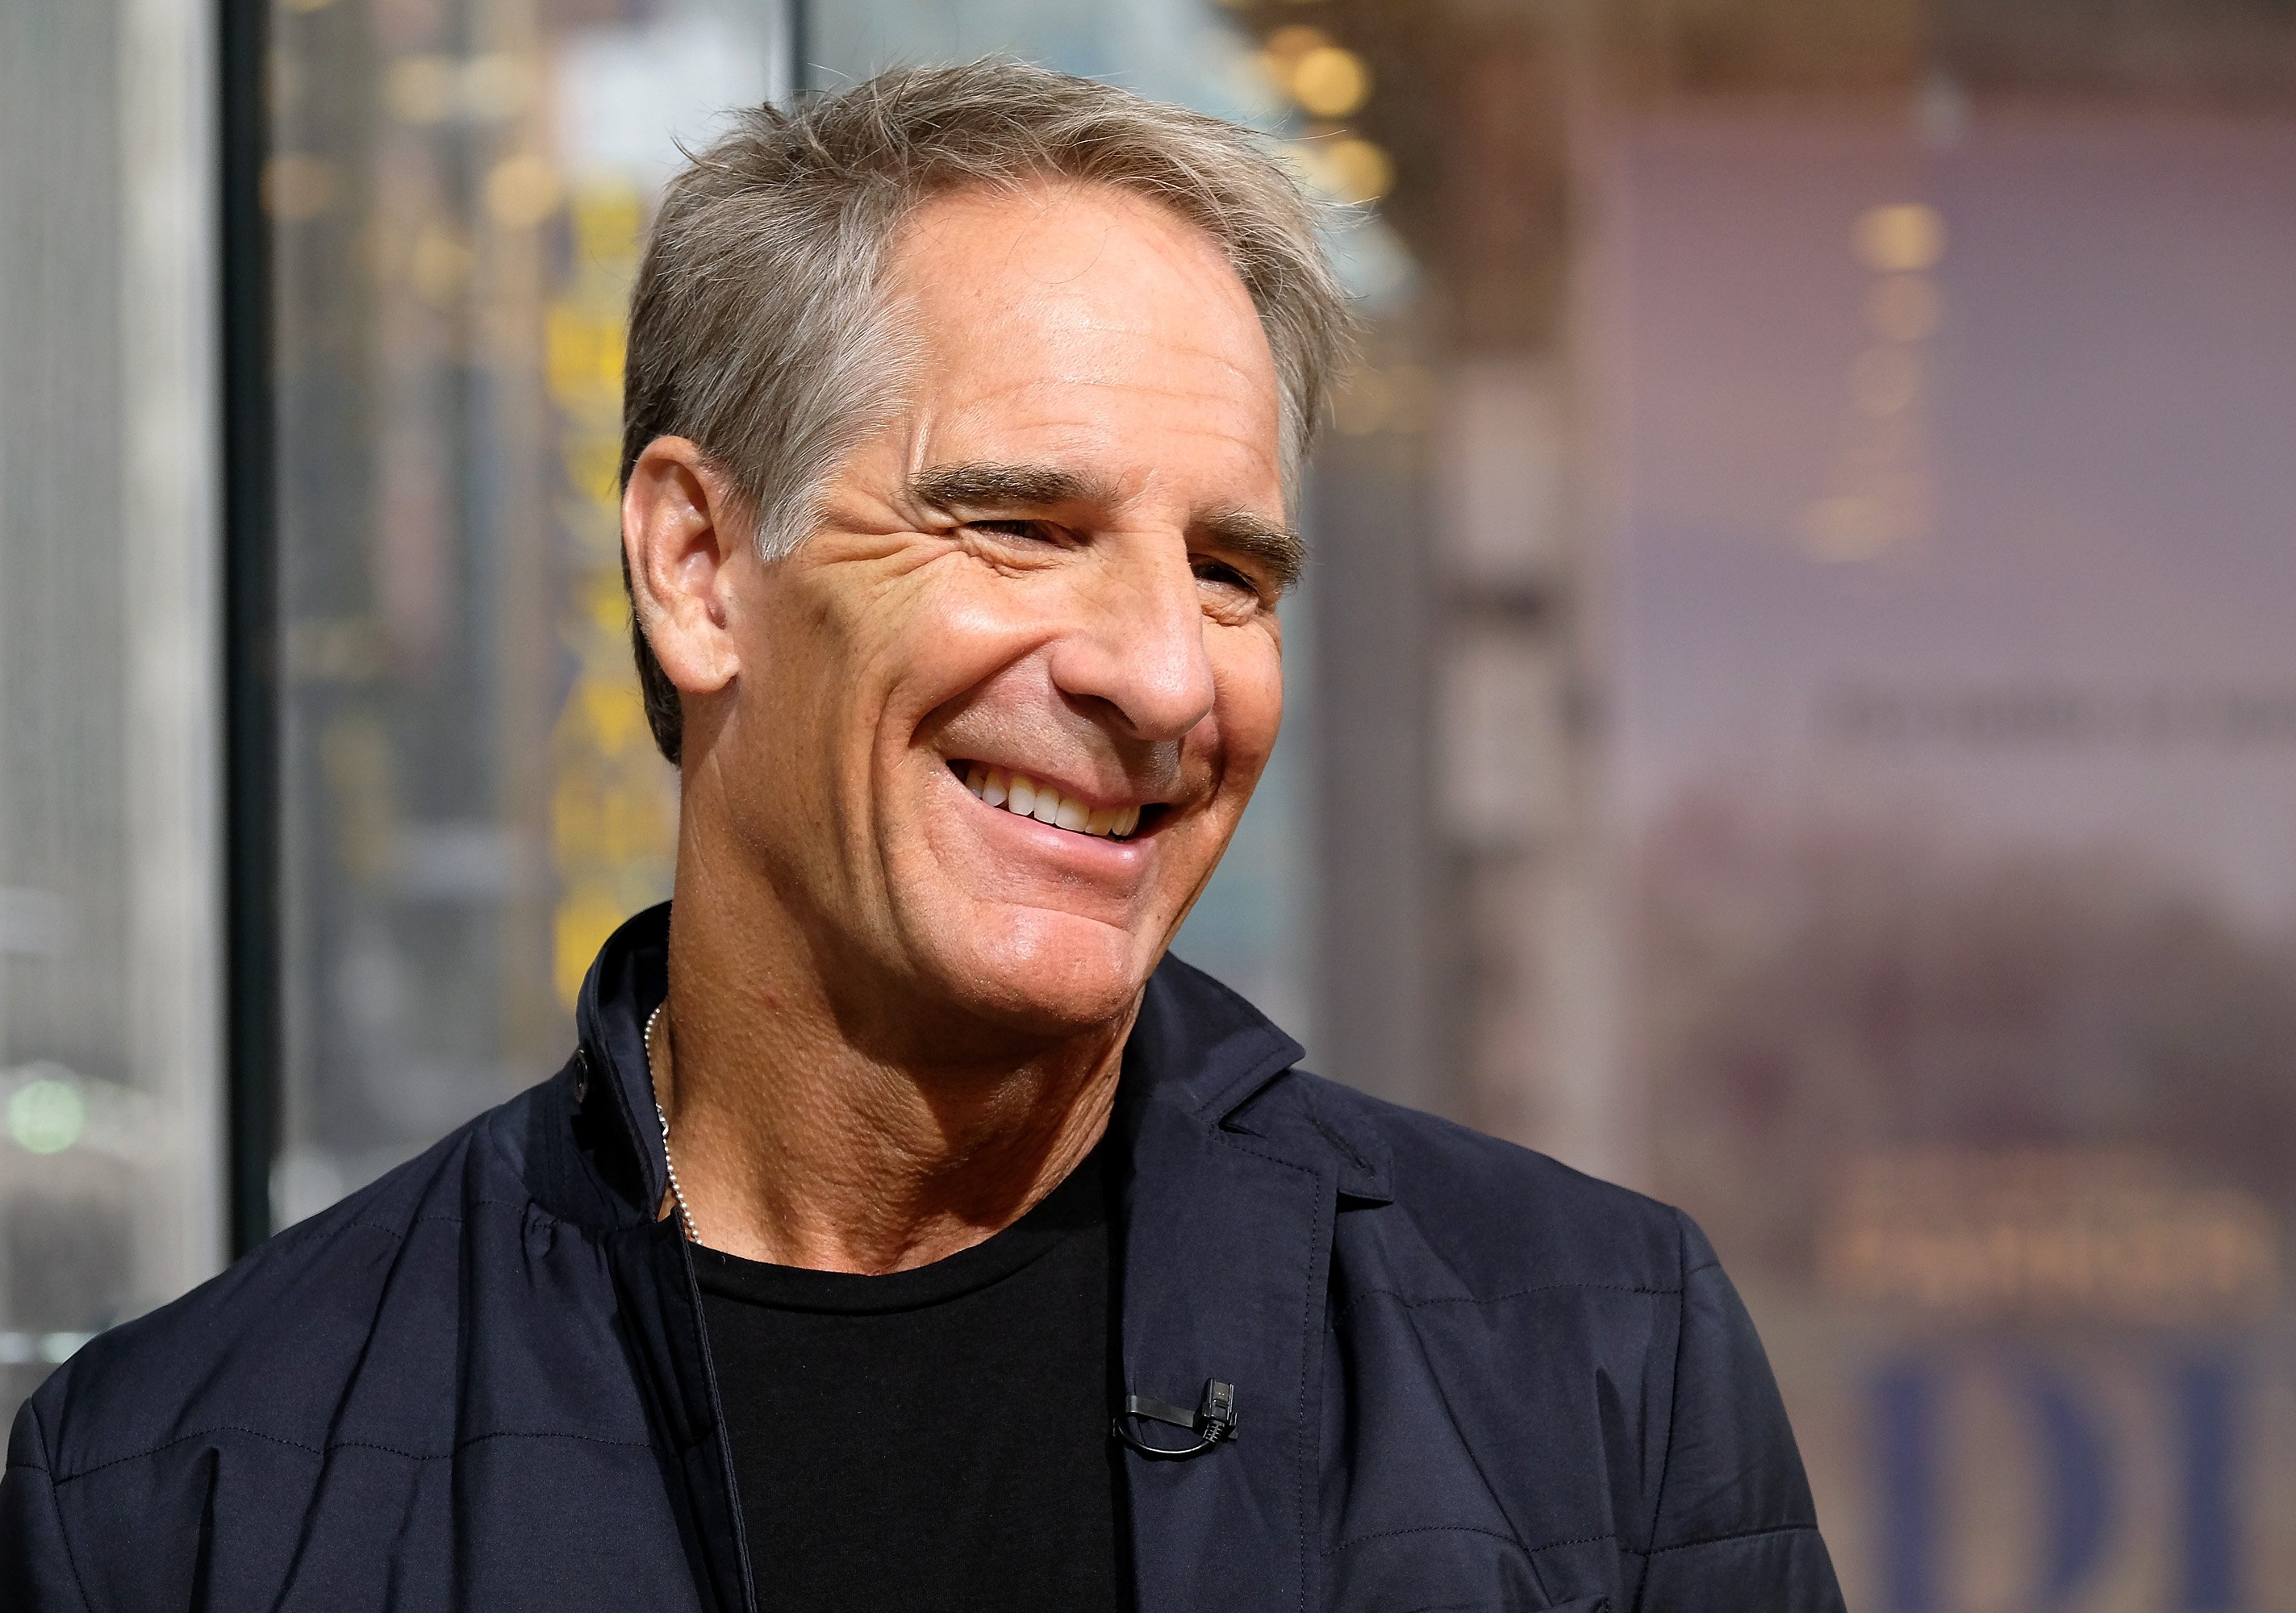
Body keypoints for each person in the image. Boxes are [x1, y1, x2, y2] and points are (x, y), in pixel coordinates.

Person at [0, 60, 1843, 1612]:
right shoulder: (189, 1493)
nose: (1160, 675)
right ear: (701, 569)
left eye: (1230, 570)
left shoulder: (1595, 1368)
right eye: (1020, 526)